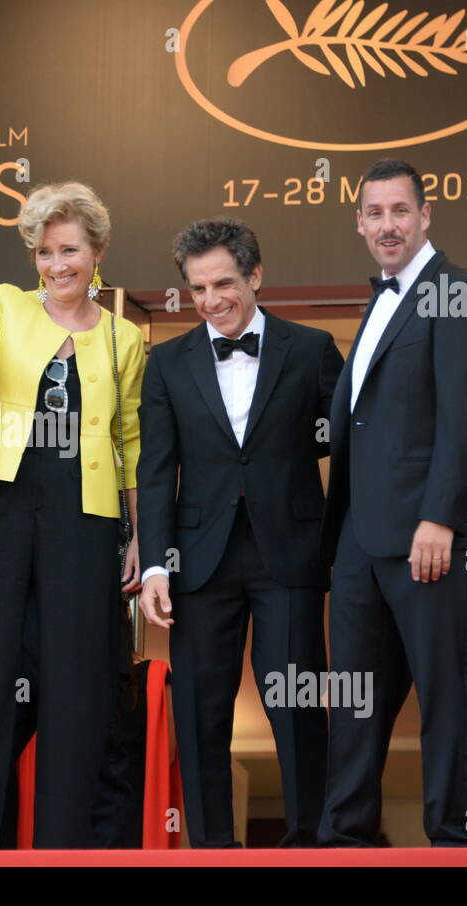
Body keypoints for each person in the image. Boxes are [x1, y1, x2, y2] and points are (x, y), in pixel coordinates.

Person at [0, 181, 145, 849]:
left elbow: (130, 437)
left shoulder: (124, 336)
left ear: (97, 251)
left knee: (77, 675)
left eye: (70, 250)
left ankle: (64, 840)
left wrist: (140, 535)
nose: (57, 265)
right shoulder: (3, 307)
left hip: (85, 513)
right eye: (46, 252)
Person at [318, 158, 467, 847]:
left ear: (426, 216)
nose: (388, 225)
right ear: (360, 223)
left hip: (433, 536)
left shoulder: (458, 293)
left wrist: (441, 518)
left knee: (447, 695)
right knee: (356, 704)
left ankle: (455, 847)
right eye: (375, 213)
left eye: (401, 211)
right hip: (362, 544)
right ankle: (346, 841)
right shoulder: (379, 302)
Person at [137, 219, 342, 847]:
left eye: (224, 282)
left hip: (291, 553)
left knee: (297, 706)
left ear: (255, 276)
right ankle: (212, 852)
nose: (211, 299)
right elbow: (156, 470)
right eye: (198, 288)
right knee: (200, 714)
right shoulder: (166, 362)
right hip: (199, 562)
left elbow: (352, 446)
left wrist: (350, 541)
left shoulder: (310, 348)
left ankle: (307, 845)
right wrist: (154, 567)